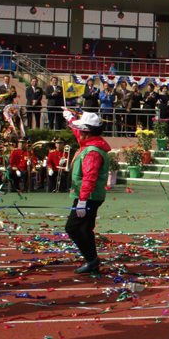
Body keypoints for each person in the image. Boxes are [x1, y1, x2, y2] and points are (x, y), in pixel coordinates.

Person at [63, 109, 112, 274]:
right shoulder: (92, 144)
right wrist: (71, 120)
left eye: (82, 131)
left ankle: (91, 259)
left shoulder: (92, 152)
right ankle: (92, 260)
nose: (80, 134)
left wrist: (82, 201)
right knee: (85, 229)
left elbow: (89, 178)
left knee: (72, 228)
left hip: (88, 196)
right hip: (89, 196)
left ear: (87, 133)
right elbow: (78, 134)